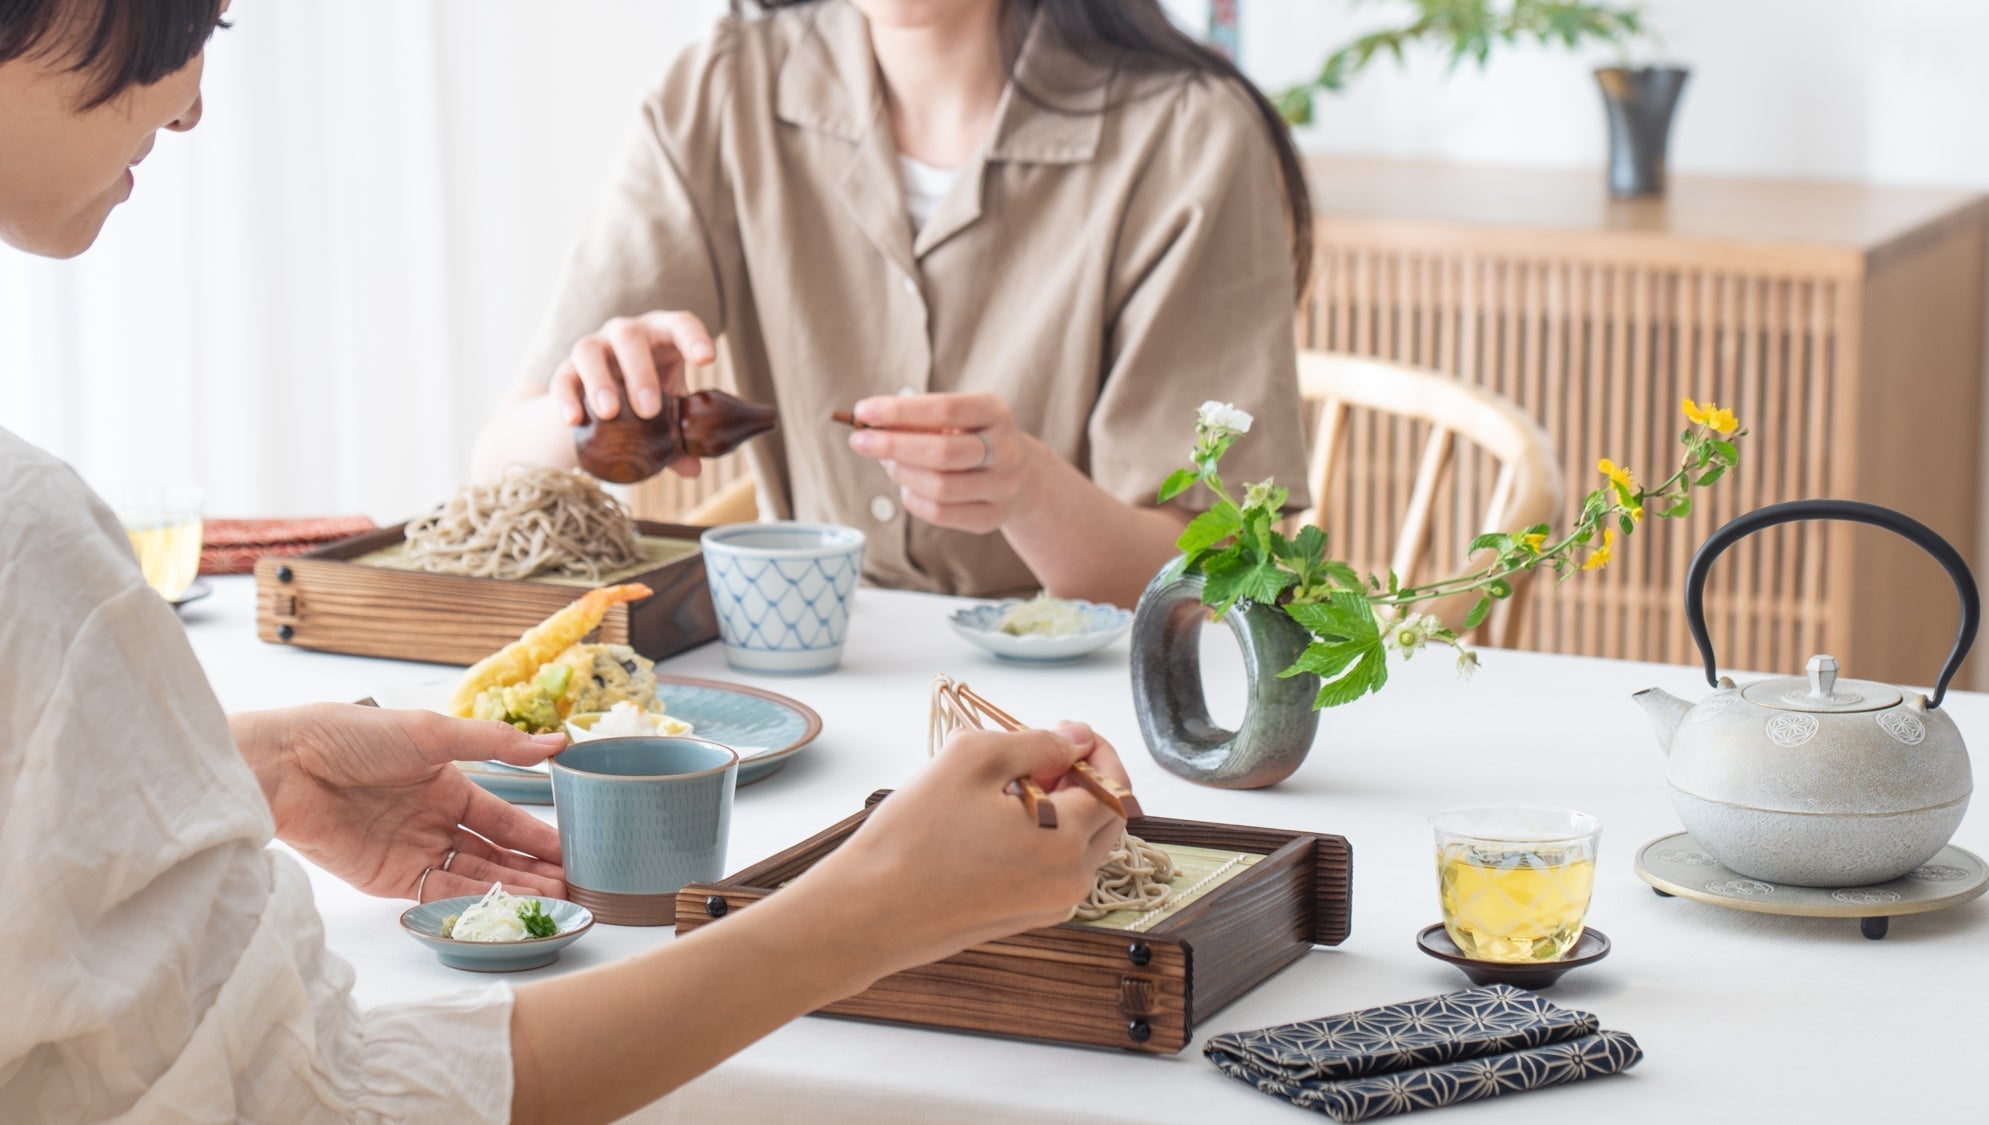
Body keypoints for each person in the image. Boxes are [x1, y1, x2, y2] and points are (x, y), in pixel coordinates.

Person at [0, 2, 1132, 1121]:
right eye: (188, 18)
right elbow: (319, 1102)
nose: (197, 102)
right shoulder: (33, 545)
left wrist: (244, 767)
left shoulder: (1177, 128)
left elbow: (1227, 553)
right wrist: (871, 914)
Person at [474, 0, 1316, 607]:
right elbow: (498, 471)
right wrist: (596, 406)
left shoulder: (1194, 137)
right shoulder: (724, 85)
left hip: (1088, 722)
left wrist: (1029, 493)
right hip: (806, 695)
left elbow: (1222, 577)